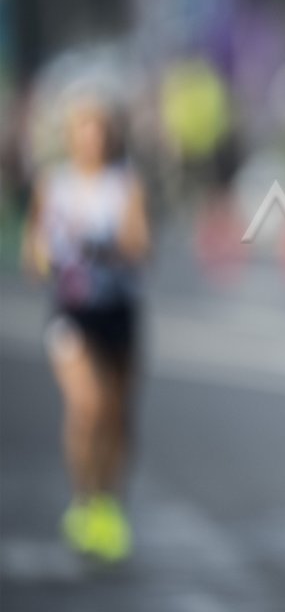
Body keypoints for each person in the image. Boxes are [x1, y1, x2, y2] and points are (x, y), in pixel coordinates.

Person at [22, 88, 150, 562]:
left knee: (118, 417)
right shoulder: (52, 184)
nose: (91, 138)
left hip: (116, 308)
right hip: (72, 311)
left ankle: (109, 505)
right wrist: (45, 256)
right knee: (87, 405)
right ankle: (83, 501)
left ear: (109, 135)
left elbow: (141, 246)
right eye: (82, 129)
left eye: (98, 129)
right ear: (70, 136)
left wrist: (100, 243)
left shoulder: (125, 184)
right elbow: (32, 252)